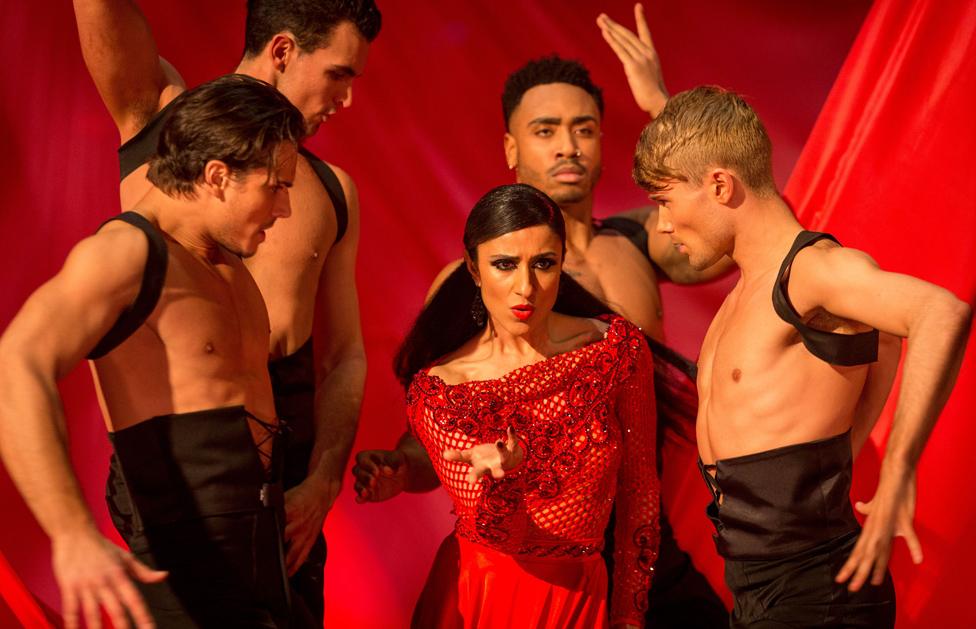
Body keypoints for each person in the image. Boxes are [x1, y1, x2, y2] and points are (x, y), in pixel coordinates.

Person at [355, 8, 730, 626]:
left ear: (604, 142)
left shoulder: (645, 241)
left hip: (642, 537)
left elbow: (752, 220)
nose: (567, 145)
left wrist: (664, 108)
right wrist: (403, 470)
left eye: (584, 128)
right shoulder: (469, 283)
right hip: (527, 556)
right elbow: (441, 432)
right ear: (511, 147)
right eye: (546, 129)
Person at [72, 0, 381, 620]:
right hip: (172, 477)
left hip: (284, 492)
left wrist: (323, 483)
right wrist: (67, 530)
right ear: (285, 51)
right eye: (340, 75)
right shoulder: (162, 116)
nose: (347, 100)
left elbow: (344, 356)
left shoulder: (331, 190)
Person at [633, 85, 971, 627]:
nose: (663, 224)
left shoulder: (812, 271)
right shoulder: (750, 289)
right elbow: (883, 341)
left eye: (665, 201)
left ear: (719, 184)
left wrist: (898, 471)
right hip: (756, 590)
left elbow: (940, 312)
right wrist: (661, 103)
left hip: (818, 593)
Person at [0, 74, 307, 627]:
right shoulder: (124, 253)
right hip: (179, 585)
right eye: (276, 186)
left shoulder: (229, 264)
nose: (284, 209)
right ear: (218, 176)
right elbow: (15, 364)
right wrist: (70, 533)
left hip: (267, 569)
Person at [391, 183, 659, 628]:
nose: (526, 287)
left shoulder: (614, 349)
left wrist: (629, 613)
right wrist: (505, 479)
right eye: (504, 265)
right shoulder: (440, 391)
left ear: (562, 263)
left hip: (584, 599)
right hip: (482, 598)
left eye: (543, 264)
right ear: (474, 270)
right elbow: (498, 535)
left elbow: (641, 489)